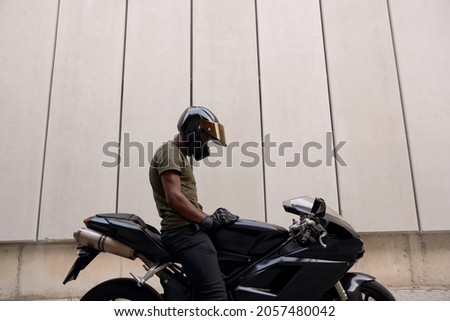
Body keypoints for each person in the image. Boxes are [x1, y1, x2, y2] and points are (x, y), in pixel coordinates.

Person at [149, 106, 239, 300]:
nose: (206, 143)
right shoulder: (169, 152)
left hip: (189, 230)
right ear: (193, 132)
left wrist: (214, 220)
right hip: (183, 233)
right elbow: (174, 197)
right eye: (205, 138)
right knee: (216, 298)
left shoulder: (179, 155)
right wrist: (206, 219)